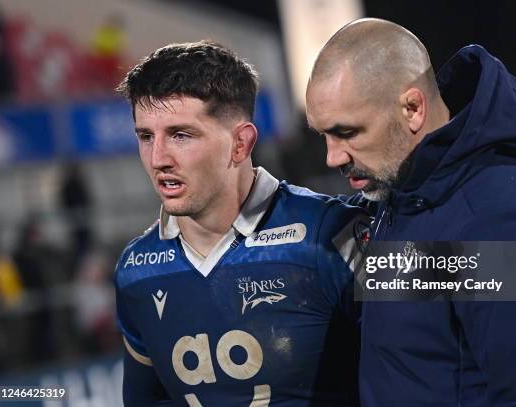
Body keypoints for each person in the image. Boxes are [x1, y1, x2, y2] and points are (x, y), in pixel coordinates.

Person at [306, 18, 516, 406]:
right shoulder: (406, 196)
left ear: (412, 108)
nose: (332, 156)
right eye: (322, 134)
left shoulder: (498, 223)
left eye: (348, 132)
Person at [114, 41, 367, 406]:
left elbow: (472, 277)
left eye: (180, 135)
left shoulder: (332, 234)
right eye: (146, 136)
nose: (158, 159)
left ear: (241, 143)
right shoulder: (135, 270)